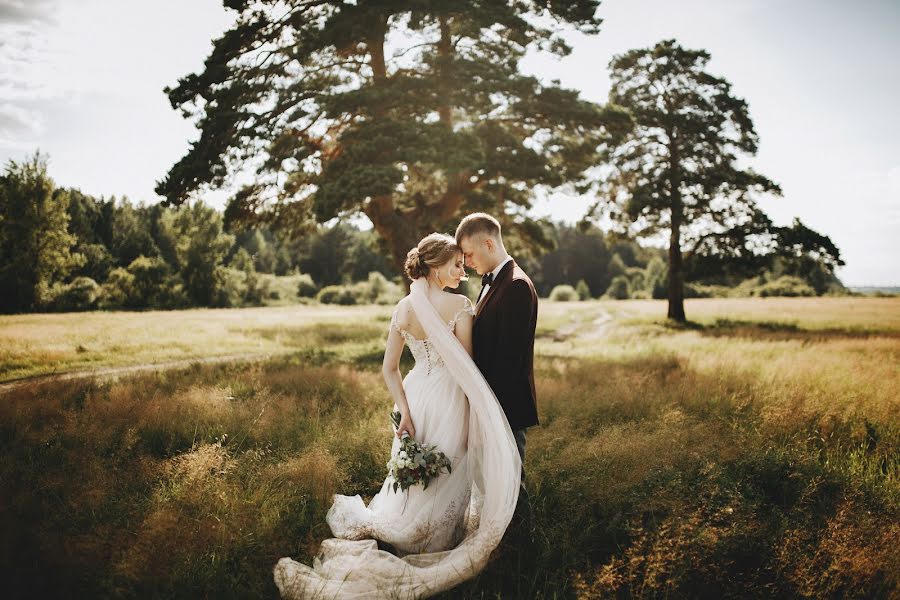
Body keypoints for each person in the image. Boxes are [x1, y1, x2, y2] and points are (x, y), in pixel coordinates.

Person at [274, 232, 521, 599]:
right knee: (449, 466)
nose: (462, 270)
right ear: (436, 266)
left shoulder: (404, 308)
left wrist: (404, 411)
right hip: (450, 398)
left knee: (417, 470)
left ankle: (411, 536)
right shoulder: (459, 307)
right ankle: (436, 541)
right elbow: (466, 371)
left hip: (417, 395)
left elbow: (389, 368)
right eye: (455, 264)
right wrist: (474, 421)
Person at [455, 213, 539, 541]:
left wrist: (486, 409)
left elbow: (509, 360)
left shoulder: (516, 286)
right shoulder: (493, 281)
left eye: (470, 254)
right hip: (492, 402)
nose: (467, 262)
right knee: (498, 479)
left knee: (510, 480)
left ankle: (523, 548)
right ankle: (504, 540)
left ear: (489, 243)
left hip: (505, 404)